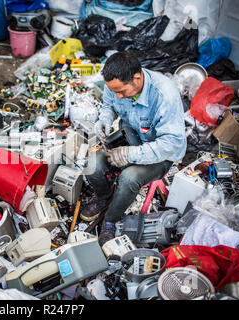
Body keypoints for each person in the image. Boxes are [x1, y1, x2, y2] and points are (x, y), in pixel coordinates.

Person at [80, 51, 187, 246]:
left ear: (137, 79)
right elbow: (108, 106)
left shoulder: (164, 95)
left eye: (121, 92)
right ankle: (104, 198)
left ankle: (110, 220)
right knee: (91, 165)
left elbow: (171, 143)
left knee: (129, 178)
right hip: (129, 138)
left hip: (161, 153)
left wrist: (131, 154)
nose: (117, 95)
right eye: (114, 91)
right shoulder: (114, 85)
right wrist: (105, 119)